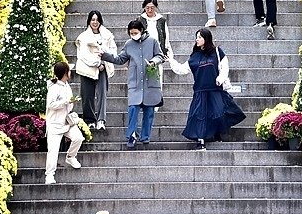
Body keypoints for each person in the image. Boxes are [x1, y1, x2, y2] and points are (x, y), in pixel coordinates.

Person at [168, 28, 246, 149]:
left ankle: (216, 133)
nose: (197, 39)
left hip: (215, 90)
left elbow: (224, 67)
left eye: (200, 37)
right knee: (200, 116)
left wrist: (220, 78)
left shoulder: (217, 52)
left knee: (218, 113)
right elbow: (182, 69)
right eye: (197, 37)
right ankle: (201, 141)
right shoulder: (194, 56)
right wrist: (171, 61)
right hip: (200, 91)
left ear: (206, 38)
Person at [100, 19, 164, 148]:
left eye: (135, 32)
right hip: (135, 83)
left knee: (149, 111)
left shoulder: (152, 42)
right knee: (133, 109)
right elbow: (120, 59)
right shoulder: (129, 44)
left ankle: (145, 137)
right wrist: (105, 56)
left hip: (150, 81)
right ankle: (131, 136)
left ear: (141, 31)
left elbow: (160, 56)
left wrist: (153, 62)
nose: (133, 35)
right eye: (131, 33)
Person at [75, 10, 117, 131]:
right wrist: (97, 63)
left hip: (103, 67)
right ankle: (89, 120)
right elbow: (83, 54)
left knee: (102, 94)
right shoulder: (83, 37)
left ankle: (101, 120)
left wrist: (104, 59)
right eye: (92, 19)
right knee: (87, 95)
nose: (95, 22)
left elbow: (112, 50)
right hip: (87, 68)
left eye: (97, 20)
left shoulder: (107, 35)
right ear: (89, 21)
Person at [44, 61, 84, 185]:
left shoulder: (66, 85)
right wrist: (65, 102)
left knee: (78, 138)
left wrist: (71, 102)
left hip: (66, 121)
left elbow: (68, 104)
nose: (71, 73)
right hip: (55, 124)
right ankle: (49, 175)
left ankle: (71, 157)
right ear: (65, 73)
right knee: (53, 151)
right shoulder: (54, 88)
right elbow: (50, 105)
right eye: (69, 71)